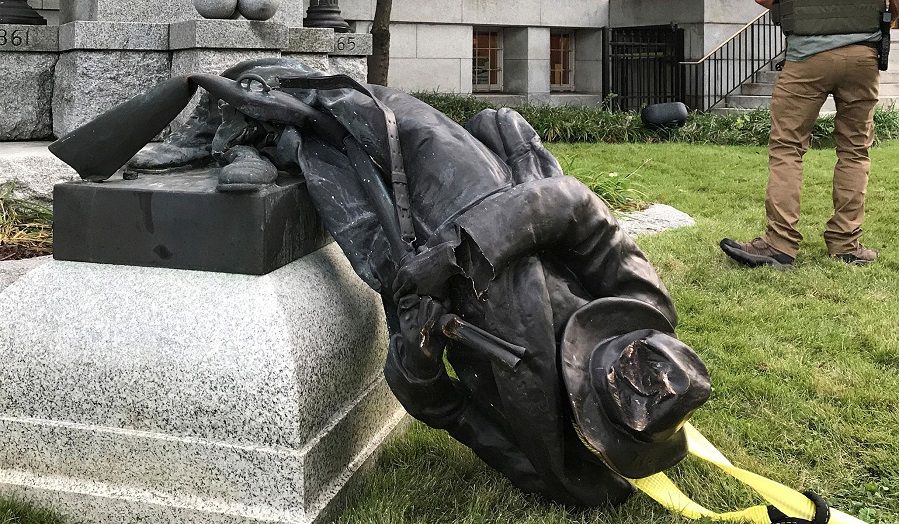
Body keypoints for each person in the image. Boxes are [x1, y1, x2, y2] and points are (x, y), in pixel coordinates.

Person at [721, 0, 895, 267]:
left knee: (787, 147)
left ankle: (779, 243)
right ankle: (845, 244)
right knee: (855, 150)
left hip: (807, 55)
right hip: (862, 55)